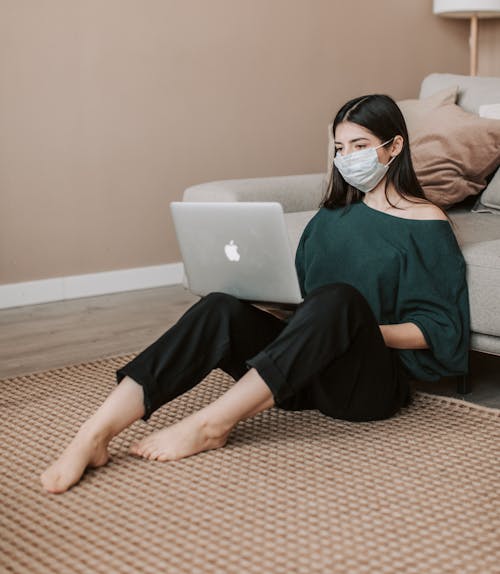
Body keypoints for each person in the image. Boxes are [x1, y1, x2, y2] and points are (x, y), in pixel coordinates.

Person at [41, 94, 470, 494]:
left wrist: (348, 327)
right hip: (301, 373)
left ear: (394, 148)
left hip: (365, 388)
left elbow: (440, 329)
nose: (347, 158)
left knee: (338, 300)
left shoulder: (425, 222)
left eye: (359, 145)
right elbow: (304, 299)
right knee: (219, 307)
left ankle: (211, 425)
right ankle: (94, 434)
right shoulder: (330, 219)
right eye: (340, 148)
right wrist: (270, 302)